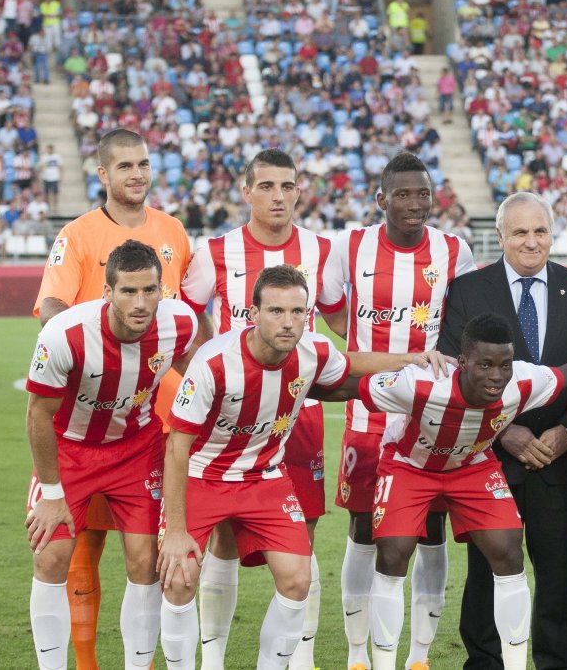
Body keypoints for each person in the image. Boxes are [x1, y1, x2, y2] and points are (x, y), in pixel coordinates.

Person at [156, 265, 448, 670]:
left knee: (297, 580)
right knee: (178, 578)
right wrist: (174, 530)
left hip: (265, 477)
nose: (288, 322)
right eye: (276, 311)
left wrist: (411, 359)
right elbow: (177, 447)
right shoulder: (214, 363)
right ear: (253, 314)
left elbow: (350, 364)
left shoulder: (312, 351)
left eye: (298, 312)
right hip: (202, 476)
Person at [355, 313, 567, 670]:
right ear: (462, 362)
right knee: (393, 555)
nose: (496, 376)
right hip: (410, 466)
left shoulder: (522, 380)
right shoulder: (419, 382)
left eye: (504, 365)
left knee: (509, 551)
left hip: (471, 466)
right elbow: (347, 386)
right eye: (485, 365)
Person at [32, 128, 192, 670]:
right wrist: (93, 358)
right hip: (86, 410)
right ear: (103, 174)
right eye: (124, 166)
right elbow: (53, 306)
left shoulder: (172, 231)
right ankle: (84, 661)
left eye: (143, 164)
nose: (137, 175)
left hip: (153, 418)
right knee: (80, 547)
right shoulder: (78, 235)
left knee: (145, 556)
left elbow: (186, 322)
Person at [439, 192, 567, 670]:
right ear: (500, 237)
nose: (531, 241)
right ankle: (485, 663)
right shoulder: (469, 290)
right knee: (485, 574)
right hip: (490, 459)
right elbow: (455, 374)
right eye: (520, 232)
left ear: (552, 235)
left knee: (557, 576)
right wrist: (504, 432)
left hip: (561, 457)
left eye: (540, 231)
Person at [179, 149, 339, 670]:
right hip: (231, 419)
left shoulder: (322, 249)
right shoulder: (216, 251)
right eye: (265, 186)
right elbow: (185, 317)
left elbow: (337, 319)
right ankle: (213, 657)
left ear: (299, 192)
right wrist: (208, 365)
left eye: (286, 186)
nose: (277, 196)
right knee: (223, 536)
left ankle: (301, 657)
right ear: (246, 192)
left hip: (298, 412)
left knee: (303, 531)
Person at [319, 152, 475, 670]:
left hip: (430, 417)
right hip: (367, 416)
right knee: (364, 529)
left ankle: (420, 656)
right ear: (381, 199)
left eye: (423, 194)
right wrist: (369, 352)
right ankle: (359, 654)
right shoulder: (351, 245)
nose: (415, 204)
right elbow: (333, 307)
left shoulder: (455, 251)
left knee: (430, 531)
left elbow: (463, 321)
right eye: (403, 194)